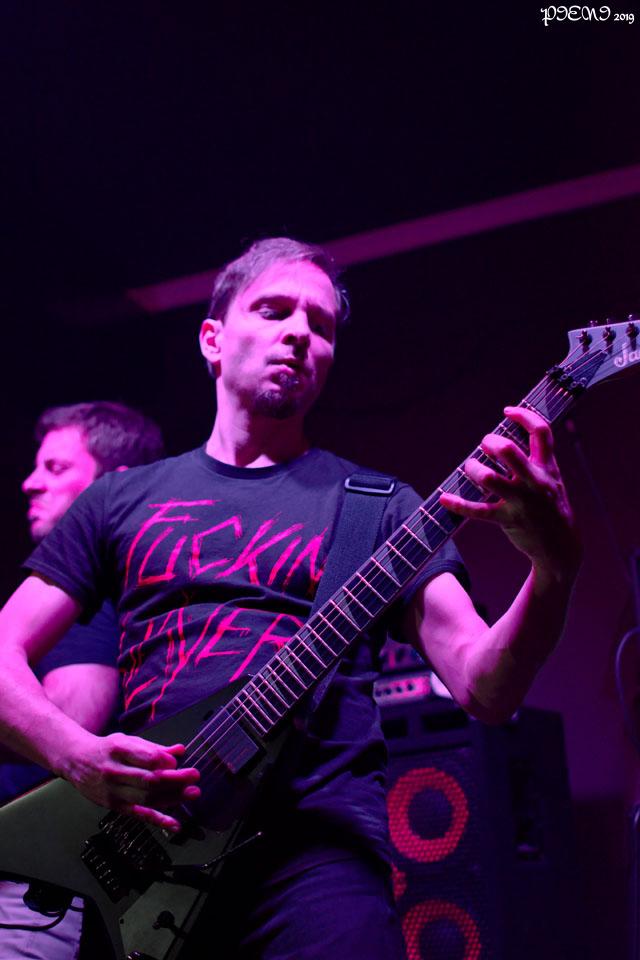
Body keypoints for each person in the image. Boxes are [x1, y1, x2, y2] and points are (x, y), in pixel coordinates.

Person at [0, 239, 581, 959]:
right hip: (147, 862)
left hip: (319, 860)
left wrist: (554, 568)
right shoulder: (120, 500)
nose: (301, 332)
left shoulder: (381, 508)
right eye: (275, 310)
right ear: (212, 339)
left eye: (322, 324)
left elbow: (484, 685)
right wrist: (75, 755)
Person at [0, 401, 164, 959]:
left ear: (115, 484)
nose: (30, 482)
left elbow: (71, 721)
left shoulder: (83, 597)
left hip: (34, 882)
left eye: (56, 468)